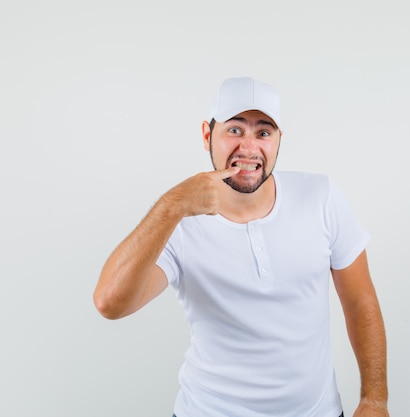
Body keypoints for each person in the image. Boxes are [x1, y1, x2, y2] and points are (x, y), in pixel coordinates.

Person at [93, 77, 389, 417]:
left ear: (278, 141)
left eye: (263, 133)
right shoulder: (178, 221)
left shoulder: (321, 196)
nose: (249, 148)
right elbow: (110, 303)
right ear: (208, 134)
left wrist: (374, 399)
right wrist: (169, 207)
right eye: (235, 130)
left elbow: (359, 300)